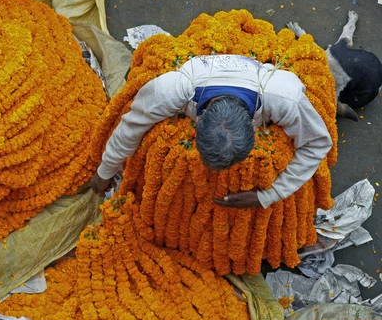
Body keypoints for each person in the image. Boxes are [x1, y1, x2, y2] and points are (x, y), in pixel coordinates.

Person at [91, 54, 333, 209]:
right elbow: (130, 128)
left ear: (253, 127)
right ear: (198, 121)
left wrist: (268, 195)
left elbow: (317, 143)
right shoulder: (172, 90)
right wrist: (106, 170)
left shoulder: (283, 97)